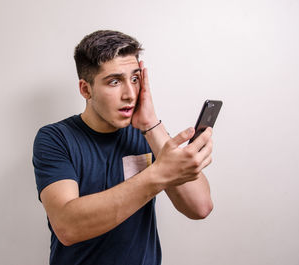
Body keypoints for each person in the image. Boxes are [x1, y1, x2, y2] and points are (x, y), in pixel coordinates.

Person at [33, 30, 214, 265]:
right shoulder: (55, 138)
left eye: (135, 79)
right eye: (115, 81)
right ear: (86, 89)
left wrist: (151, 125)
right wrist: (159, 174)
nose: (130, 94)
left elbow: (199, 207)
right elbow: (68, 226)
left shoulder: (146, 134)